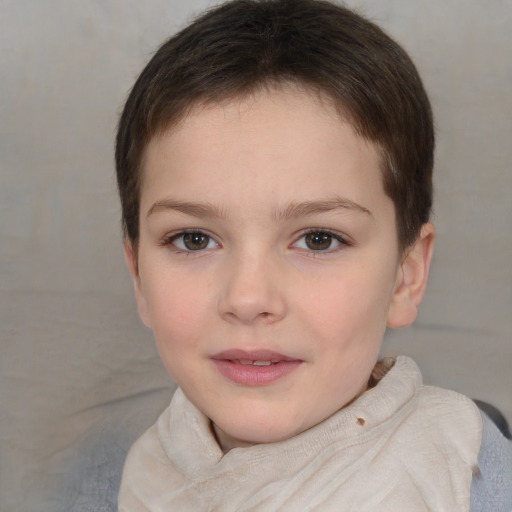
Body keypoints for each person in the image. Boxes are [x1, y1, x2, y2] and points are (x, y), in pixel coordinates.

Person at [115, 0, 512, 509]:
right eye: (194, 239)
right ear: (139, 274)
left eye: (318, 239)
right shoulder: (144, 476)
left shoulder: (463, 474)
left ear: (405, 276)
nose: (248, 297)